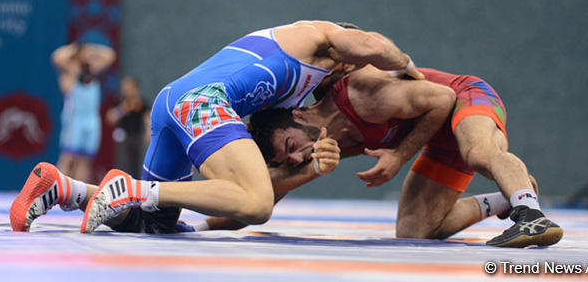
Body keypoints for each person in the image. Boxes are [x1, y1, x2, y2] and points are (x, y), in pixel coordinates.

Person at [11, 21, 423, 234]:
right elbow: (373, 45)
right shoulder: (320, 36)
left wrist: (311, 167)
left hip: (173, 102)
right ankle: (132, 189)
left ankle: (64, 188)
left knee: (156, 223)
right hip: (202, 102)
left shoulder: (293, 97)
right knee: (257, 204)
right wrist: (409, 70)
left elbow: (257, 187)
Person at [223, 63, 563, 248]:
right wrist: (204, 222)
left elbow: (443, 99)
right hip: (436, 132)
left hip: (463, 98)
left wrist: (399, 156)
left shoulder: (360, 94)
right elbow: (266, 195)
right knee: (415, 231)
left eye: (290, 147)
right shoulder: (322, 144)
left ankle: (532, 215)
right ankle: (509, 196)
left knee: (478, 153)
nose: (299, 158)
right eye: (289, 161)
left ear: (298, 115)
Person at [51, 42, 116, 183]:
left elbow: (110, 56)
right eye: (84, 52)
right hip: (74, 119)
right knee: (68, 156)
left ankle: (79, 191)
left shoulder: (92, 70)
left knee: (85, 159)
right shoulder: (70, 72)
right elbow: (56, 57)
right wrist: (75, 48)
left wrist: (92, 49)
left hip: (92, 120)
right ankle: (57, 188)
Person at [106, 76, 150, 179]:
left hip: (137, 137)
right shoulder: (119, 101)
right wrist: (123, 109)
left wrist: (148, 133)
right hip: (123, 138)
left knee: (137, 164)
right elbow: (110, 118)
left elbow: (148, 117)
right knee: (123, 164)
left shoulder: (141, 102)